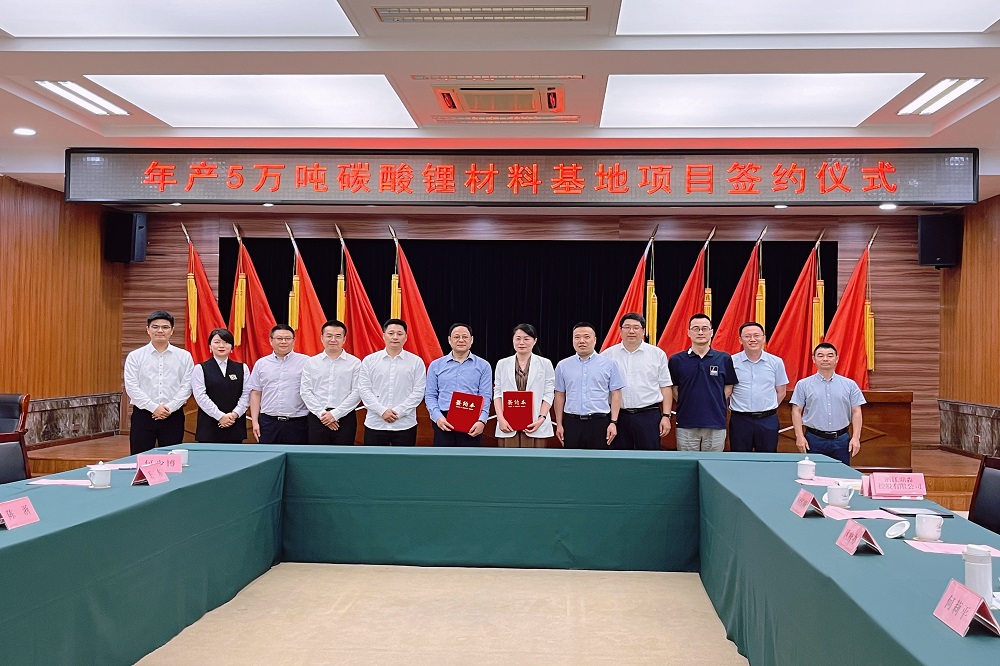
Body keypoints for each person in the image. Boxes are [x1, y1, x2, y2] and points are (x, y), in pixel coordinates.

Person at [123, 310, 194, 455]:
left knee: (171, 459)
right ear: (148, 330)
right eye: (155, 327)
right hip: (143, 415)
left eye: (165, 327)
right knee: (140, 457)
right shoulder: (135, 356)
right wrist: (153, 407)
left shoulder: (184, 356)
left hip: (173, 415)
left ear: (172, 331)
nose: (160, 330)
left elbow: (187, 386)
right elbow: (131, 387)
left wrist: (169, 408)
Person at [601, 313, 672, 450]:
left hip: (648, 415)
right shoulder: (607, 355)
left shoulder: (657, 354)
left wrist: (666, 416)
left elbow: (665, 387)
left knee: (649, 457)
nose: (631, 331)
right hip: (618, 417)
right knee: (619, 457)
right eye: (627, 327)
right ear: (620, 330)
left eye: (636, 327)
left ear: (643, 331)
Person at [667, 314, 737, 452]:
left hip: (715, 422)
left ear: (711, 332)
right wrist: (688, 401)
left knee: (713, 463)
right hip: (686, 423)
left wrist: (714, 400)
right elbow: (674, 388)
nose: (700, 332)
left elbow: (729, 386)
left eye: (704, 328)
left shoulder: (724, 359)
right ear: (689, 332)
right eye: (696, 329)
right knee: (687, 462)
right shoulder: (676, 360)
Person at [790, 342, 866, 466]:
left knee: (841, 474)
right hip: (814, 439)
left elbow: (856, 411)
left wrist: (856, 438)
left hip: (841, 440)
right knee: (814, 474)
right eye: (820, 355)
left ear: (837, 359)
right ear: (814, 359)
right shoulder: (803, 384)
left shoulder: (850, 384)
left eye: (830, 356)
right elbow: (796, 410)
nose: (825, 359)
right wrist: (799, 436)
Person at [553, 322, 625, 449]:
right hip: (572, 422)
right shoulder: (562, 365)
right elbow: (559, 395)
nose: (582, 341)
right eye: (577, 337)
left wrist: (613, 422)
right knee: (572, 459)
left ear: (595, 340)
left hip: (599, 422)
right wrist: (559, 424)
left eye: (586, 337)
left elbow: (616, 394)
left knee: (599, 459)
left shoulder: (609, 364)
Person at [357, 318, 427, 446]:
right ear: (383, 336)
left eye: (399, 334)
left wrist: (398, 412)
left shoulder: (416, 362)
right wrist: (382, 411)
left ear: (406, 337)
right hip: (375, 423)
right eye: (391, 333)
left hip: (405, 425)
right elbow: (364, 390)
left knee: (404, 459)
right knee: (373, 458)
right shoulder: (369, 361)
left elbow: (418, 392)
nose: (395, 337)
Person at [425, 323, 492, 447]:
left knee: (469, 458)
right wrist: (438, 417)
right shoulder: (436, 365)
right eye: (456, 337)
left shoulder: (483, 366)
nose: (461, 340)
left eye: (465, 337)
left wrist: (482, 421)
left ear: (472, 340)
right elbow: (430, 395)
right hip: (443, 419)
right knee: (444, 457)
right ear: (449, 340)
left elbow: (485, 396)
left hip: (472, 419)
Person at [729, 322, 788, 453]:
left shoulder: (776, 362)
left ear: (764, 338)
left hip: (767, 420)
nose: (752, 339)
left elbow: (781, 392)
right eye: (747, 336)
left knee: (768, 459)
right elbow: (728, 391)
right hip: (740, 420)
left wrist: (766, 408)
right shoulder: (731, 362)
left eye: (756, 335)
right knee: (739, 459)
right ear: (740, 340)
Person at [299, 319, 361, 445]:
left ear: (344, 339)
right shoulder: (311, 363)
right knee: (318, 454)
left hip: (345, 417)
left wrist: (335, 414)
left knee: (343, 454)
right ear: (322, 338)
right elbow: (305, 391)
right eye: (329, 336)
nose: (333, 339)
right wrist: (323, 415)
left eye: (338, 336)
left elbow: (357, 392)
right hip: (317, 417)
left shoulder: (355, 363)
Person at [493, 323, 555, 447]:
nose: (521, 342)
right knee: (509, 458)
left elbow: (549, 393)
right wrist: (500, 418)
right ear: (513, 340)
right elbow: (497, 393)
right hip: (508, 423)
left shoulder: (545, 363)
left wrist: (541, 418)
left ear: (534, 341)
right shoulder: (502, 364)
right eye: (518, 338)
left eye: (526, 339)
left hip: (535, 421)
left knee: (535, 458)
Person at [247, 324, 309, 444]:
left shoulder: (306, 362)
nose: (283, 342)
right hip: (268, 423)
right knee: (267, 454)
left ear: (294, 341)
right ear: (271, 340)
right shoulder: (261, 363)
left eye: (287, 338)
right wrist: (254, 421)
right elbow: (256, 393)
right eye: (279, 338)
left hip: (298, 423)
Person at [191, 328, 250, 443]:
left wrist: (234, 414)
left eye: (226, 342)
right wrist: (220, 416)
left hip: (235, 423)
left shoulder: (242, 368)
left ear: (232, 347)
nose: (221, 346)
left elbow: (247, 394)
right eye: (217, 342)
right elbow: (200, 396)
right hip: (209, 425)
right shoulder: (200, 368)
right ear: (210, 346)